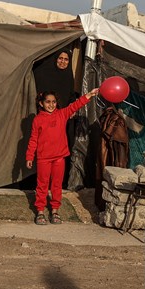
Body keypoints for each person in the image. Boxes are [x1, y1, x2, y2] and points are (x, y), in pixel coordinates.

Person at [26, 87, 100, 225]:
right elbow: (33, 139)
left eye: (54, 102)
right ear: (41, 103)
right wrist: (30, 156)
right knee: (42, 185)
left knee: (56, 185)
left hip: (59, 157)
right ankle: (40, 211)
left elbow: (76, 105)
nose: (51, 105)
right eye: (48, 102)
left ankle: (55, 211)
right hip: (44, 158)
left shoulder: (62, 114)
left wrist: (89, 95)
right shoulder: (38, 120)